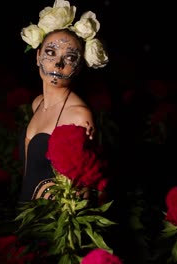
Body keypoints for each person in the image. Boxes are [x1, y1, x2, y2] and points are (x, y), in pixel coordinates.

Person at [18, 0, 109, 202]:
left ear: (78, 67)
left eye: (69, 58)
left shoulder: (79, 114)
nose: (58, 64)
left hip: (54, 222)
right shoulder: (37, 103)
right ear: (38, 56)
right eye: (50, 53)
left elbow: (92, 184)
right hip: (26, 215)